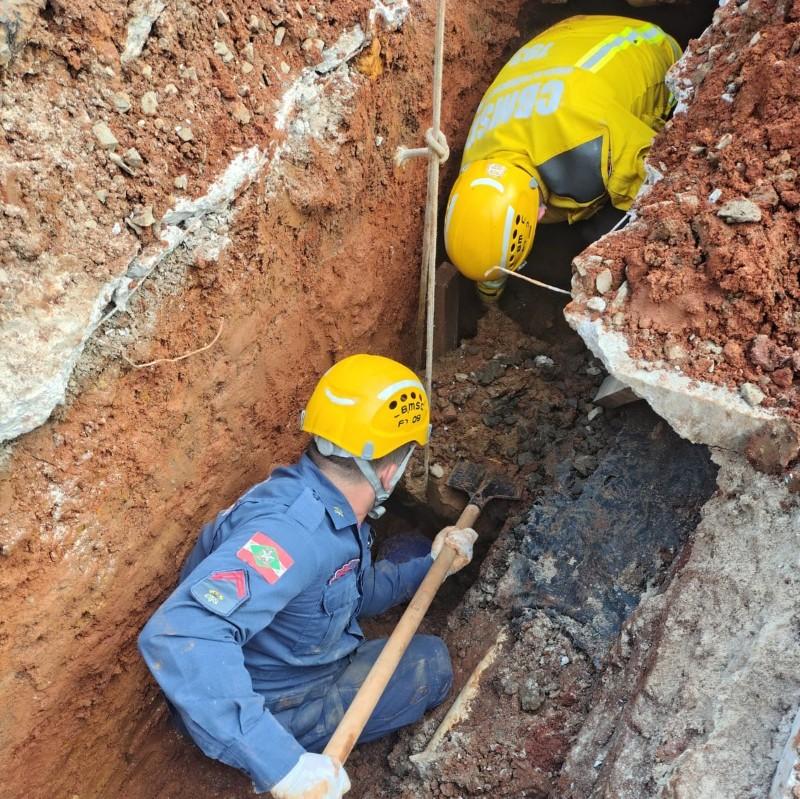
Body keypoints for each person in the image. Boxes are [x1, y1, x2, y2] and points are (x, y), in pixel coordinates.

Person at [138, 354, 477, 798]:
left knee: (409, 551)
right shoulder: (294, 536)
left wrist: (433, 564)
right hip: (272, 706)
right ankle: (277, 745)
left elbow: (353, 593)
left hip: (286, 658)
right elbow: (180, 634)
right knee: (431, 663)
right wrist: (283, 767)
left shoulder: (325, 506)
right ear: (391, 470)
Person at [444, 14, 682, 300]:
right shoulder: (475, 167)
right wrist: (489, 295)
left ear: (541, 214)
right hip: (564, 34)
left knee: (603, 235)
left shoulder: (593, 145)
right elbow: (485, 242)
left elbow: (662, 189)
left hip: (647, 45)